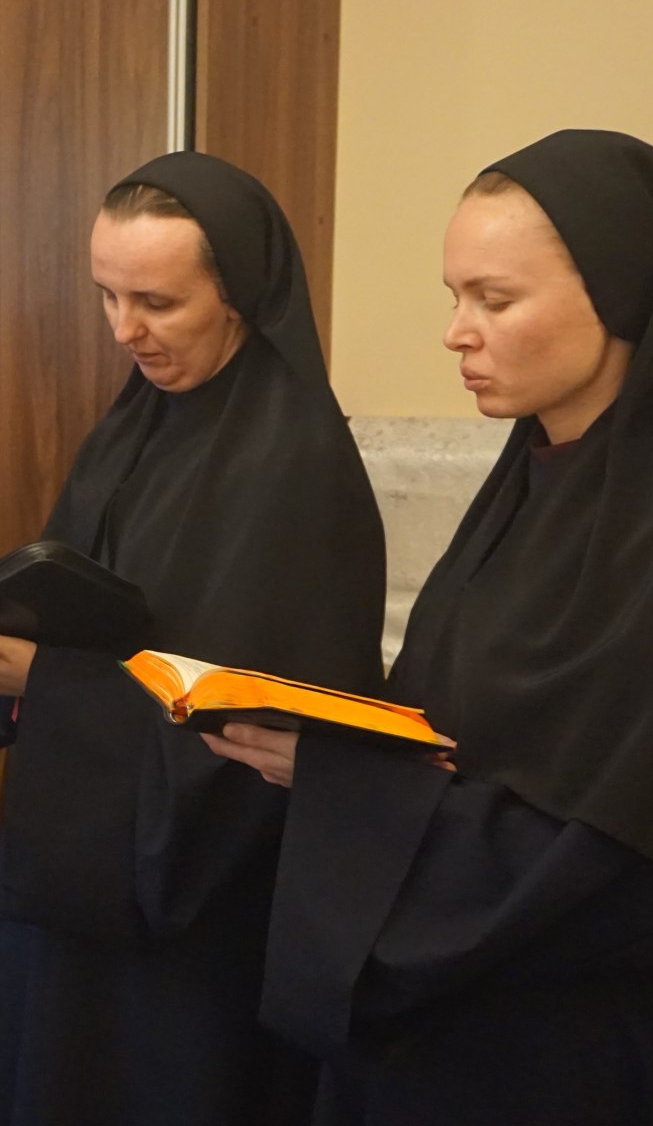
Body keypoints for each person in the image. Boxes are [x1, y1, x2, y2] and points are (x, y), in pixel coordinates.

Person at [204, 130, 653, 1125]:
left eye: (495, 298)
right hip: (444, 1040)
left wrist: (347, 786)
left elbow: (634, 866)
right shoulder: (523, 495)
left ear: (623, 298)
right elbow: (459, 737)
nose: (456, 333)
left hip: (581, 1061)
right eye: (454, 296)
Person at [0, 151, 386, 1126]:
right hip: (86, 875)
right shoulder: (131, 428)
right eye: (107, 295)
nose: (124, 330)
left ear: (240, 296)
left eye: (158, 303)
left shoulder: (293, 469)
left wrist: (46, 681)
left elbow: (252, 735)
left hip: (197, 920)